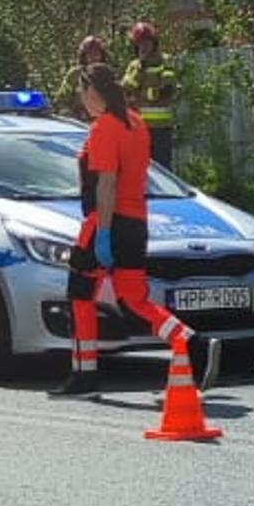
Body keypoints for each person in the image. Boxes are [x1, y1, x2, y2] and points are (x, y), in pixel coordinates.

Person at [50, 62, 216, 396]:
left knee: (79, 295)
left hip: (104, 222)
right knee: (134, 299)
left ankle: (85, 374)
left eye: (83, 93)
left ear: (93, 92)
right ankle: (189, 340)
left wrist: (103, 234)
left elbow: (106, 183)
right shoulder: (136, 124)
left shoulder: (104, 129)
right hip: (136, 223)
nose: (82, 100)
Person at [123, 20, 177, 170]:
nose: (144, 47)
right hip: (138, 128)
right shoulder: (134, 66)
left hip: (161, 129)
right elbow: (126, 91)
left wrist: (142, 95)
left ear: (154, 43)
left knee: (162, 169)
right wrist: (141, 67)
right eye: (140, 43)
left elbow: (166, 91)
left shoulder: (165, 61)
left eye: (147, 42)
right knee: (140, 169)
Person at [55, 35, 108, 120]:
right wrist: (67, 115)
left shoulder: (108, 75)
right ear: (83, 56)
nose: (93, 57)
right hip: (77, 124)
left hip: (101, 123)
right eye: (89, 54)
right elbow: (61, 99)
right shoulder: (75, 75)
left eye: (96, 53)